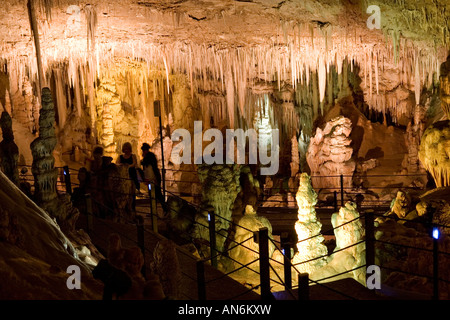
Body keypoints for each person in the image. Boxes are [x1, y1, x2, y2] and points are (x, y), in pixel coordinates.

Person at [140, 143, 167, 211]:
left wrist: (154, 180)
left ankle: (164, 209)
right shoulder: (148, 159)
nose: (143, 152)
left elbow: (151, 170)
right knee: (154, 195)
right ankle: (155, 210)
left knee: (157, 194)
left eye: (144, 150)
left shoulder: (149, 159)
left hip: (153, 179)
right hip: (151, 179)